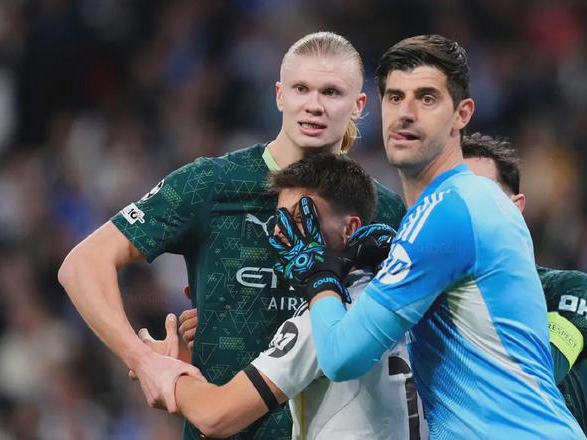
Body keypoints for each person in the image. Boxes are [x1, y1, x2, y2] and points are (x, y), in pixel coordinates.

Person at [57, 31, 406, 440]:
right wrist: (146, 362)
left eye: (331, 92)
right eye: (301, 89)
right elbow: (82, 265)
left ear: (359, 105)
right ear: (279, 95)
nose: (314, 105)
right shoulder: (213, 184)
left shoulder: (382, 211)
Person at [269, 35, 585, 438]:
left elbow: (340, 357)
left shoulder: (446, 212)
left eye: (427, 98)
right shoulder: (474, 198)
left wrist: (319, 275)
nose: (406, 113)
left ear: (461, 115)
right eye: (394, 97)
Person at [146, 153, 422, 439]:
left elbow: (216, 416)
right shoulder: (407, 293)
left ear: (350, 229)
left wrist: (163, 371)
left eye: (301, 218)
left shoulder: (324, 319)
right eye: (281, 220)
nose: (283, 232)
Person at [462, 132, 587, 436]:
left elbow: (536, 376)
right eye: (456, 199)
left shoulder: (567, 289)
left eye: (483, 196)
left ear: (516, 207)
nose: (468, 211)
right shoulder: (431, 299)